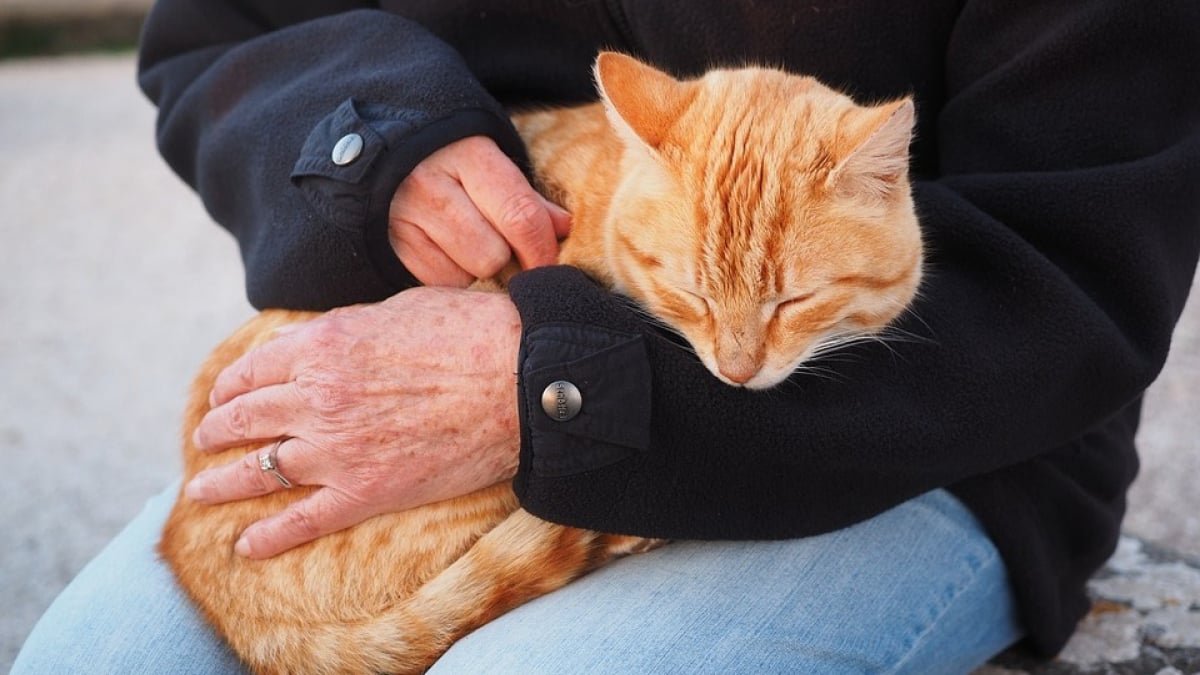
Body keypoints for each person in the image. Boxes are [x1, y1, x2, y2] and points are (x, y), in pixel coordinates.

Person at [13, 1, 1200, 673]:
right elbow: (220, 30)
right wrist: (372, 143)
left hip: (924, 429)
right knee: (93, 659)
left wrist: (554, 387)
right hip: (444, 335)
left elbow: (1077, 263)